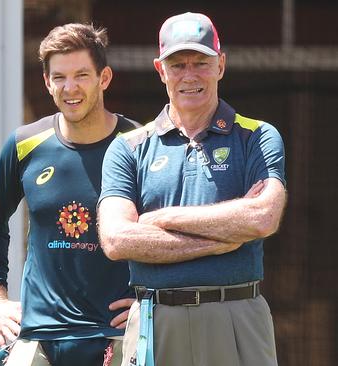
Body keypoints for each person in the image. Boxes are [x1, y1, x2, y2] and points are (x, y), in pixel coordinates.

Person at [97, 12, 287, 366]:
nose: (190, 75)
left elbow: (262, 217)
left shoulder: (258, 137)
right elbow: (116, 239)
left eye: (201, 62)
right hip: (156, 318)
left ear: (221, 65)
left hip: (236, 313)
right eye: (178, 64)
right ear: (160, 70)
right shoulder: (128, 147)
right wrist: (223, 239)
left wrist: (161, 219)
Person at [0, 23, 141, 366]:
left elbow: (164, 231)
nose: (70, 88)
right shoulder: (24, 145)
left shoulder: (140, 144)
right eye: (59, 77)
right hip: (38, 337)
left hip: (116, 335)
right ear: (47, 82)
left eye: (82, 75)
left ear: (104, 78)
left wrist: (150, 300)